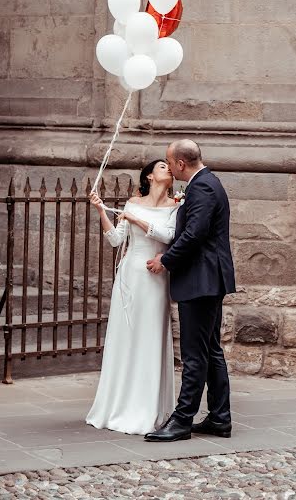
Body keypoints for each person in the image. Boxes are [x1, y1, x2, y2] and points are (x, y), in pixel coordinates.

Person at [145, 140, 236, 442]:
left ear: (181, 164)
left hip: (201, 280)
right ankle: (220, 418)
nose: (169, 168)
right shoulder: (207, 183)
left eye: (169, 163)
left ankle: (182, 421)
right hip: (207, 279)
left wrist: (166, 260)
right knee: (210, 350)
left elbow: (194, 234)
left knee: (195, 355)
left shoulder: (203, 188)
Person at [86, 160, 178, 435]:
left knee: (151, 337)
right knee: (126, 337)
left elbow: (168, 235)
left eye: (170, 166)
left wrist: (136, 219)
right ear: (150, 175)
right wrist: (102, 210)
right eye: (163, 166)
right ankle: (118, 404)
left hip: (156, 276)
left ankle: (148, 407)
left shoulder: (176, 206)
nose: (169, 169)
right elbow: (116, 239)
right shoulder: (132, 202)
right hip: (130, 276)